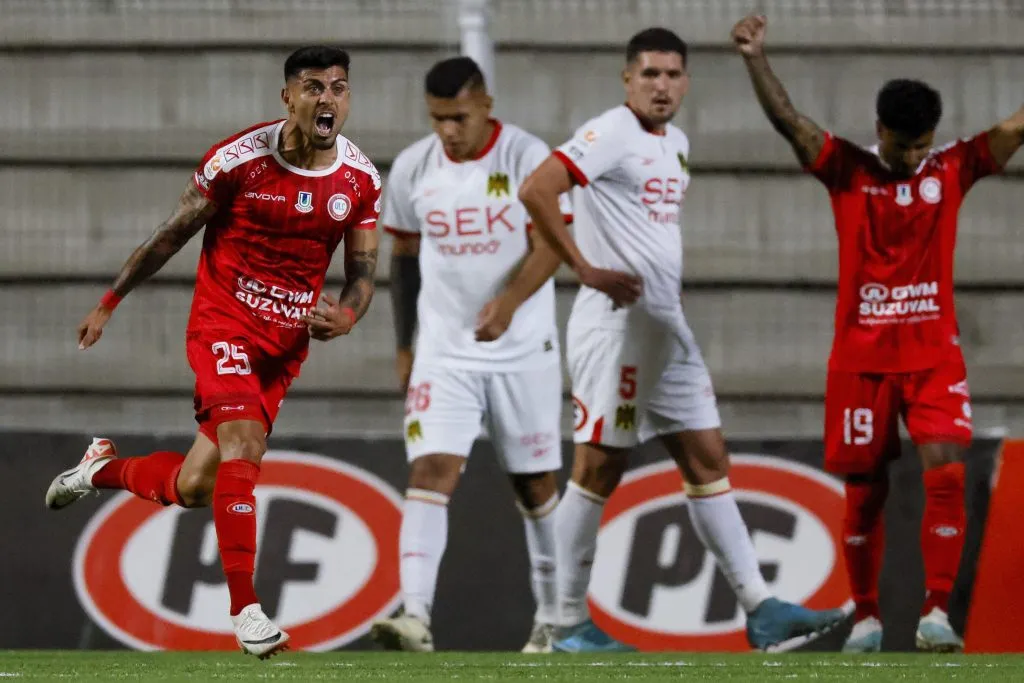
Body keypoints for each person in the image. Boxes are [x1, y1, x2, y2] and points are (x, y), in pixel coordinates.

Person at [43, 46, 382, 659]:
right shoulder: (239, 162)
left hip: (283, 349)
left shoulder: (359, 179)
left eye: (339, 88)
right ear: (289, 98)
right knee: (244, 443)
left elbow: (362, 270)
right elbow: (170, 236)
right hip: (223, 324)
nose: (327, 99)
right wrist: (109, 302)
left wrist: (349, 315)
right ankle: (246, 609)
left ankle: (100, 469)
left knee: (196, 485)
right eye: (313, 87)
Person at [517, 27, 846, 653]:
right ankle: (561, 623)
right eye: (649, 75)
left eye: (672, 75)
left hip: (665, 327)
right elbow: (538, 188)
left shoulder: (677, 144)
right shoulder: (611, 131)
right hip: (616, 326)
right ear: (627, 80)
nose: (661, 86)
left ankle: (761, 608)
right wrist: (585, 268)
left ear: (686, 82)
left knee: (707, 459)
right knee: (598, 466)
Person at [731, 14, 1024, 653]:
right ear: (879, 130)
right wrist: (756, 58)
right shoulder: (847, 170)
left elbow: (1016, 126)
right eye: (902, 145)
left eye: (922, 146)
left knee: (947, 468)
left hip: (932, 356)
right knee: (864, 492)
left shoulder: (953, 170)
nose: (913, 157)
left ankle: (938, 612)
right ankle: (864, 616)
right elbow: (790, 121)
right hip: (860, 361)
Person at [369, 56, 572, 654]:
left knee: (535, 486)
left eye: (458, 116)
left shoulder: (528, 158)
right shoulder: (413, 167)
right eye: (437, 119)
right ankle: (415, 615)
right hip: (445, 352)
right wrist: (405, 344)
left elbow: (554, 245)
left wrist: (508, 303)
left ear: (485, 104)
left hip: (522, 350)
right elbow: (403, 258)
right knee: (431, 469)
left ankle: (555, 620)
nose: (448, 131)